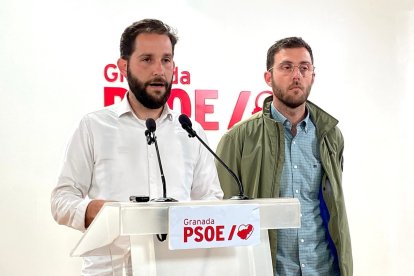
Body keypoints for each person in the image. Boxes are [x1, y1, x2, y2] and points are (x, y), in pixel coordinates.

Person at [51, 19, 223, 275]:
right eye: (147, 59)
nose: (159, 70)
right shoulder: (94, 126)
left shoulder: (191, 131)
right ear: (123, 66)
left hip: (177, 267)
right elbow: (61, 200)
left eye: (166, 60)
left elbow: (211, 199)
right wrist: (91, 211)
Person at [216, 37, 352, 275]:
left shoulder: (330, 136)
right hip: (270, 269)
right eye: (286, 67)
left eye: (304, 67)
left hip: (322, 268)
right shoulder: (237, 139)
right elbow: (224, 218)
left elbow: (333, 207)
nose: (296, 75)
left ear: (313, 75)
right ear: (268, 77)